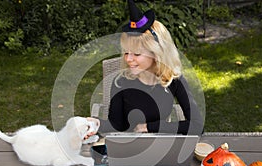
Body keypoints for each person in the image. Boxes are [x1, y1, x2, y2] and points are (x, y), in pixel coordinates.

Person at [87, 0, 204, 136]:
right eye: (126, 52)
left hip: (161, 147)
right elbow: (117, 125)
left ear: (157, 54)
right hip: (128, 149)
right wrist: (96, 123)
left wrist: (150, 127)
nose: (128, 59)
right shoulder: (120, 82)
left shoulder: (174, 80)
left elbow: (197, 126)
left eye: (136, 53)